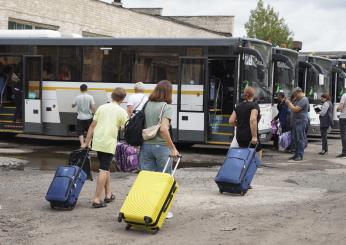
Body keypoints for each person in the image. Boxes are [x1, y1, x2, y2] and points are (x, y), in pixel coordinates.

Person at [81, 88, 128, 208]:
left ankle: (108, 194)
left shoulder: (102, 107)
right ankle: (97, 199)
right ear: (122, 99)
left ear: (111, 96)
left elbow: (92, 126)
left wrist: (86, 142)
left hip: (98, 141)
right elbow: (125, 129)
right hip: (109, 142)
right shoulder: (122, 111)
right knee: (103, 169)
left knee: (105, 167)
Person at [139, 80, 179, 219]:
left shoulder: (147, 105)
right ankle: (163, 210)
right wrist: (173, 148)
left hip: (146, 146)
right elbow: (163, 129)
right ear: (168, 92)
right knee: (164, 179)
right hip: (161, 147)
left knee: (146, 179)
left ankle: (146, 207)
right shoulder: (166, 107)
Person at [229, 86, 263, 159]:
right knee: (257, 154)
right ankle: (255, 168)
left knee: (244, 157)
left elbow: (231, 121)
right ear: (253, 95)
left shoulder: (238, 105)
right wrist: (254, 136)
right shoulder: (254, 105)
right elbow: (252, 120)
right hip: (250, 136)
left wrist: (241, 124)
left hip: (240, 136)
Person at [285, 87, 309, 161]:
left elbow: (295, 109)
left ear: (299, 92)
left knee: (300, 138)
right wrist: (291, 101)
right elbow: (292, 108)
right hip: (295, 122)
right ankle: (296, 154)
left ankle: (300, 155)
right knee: (295, 139)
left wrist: (289, 103)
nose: (294, 96)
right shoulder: (297, 99)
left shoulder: (304, 99)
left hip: (300, 121)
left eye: (295, 94)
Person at [337, 91, 346, 157]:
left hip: (344, 117)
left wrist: (338, 109)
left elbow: (340, 107)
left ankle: (344, 152)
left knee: (344, 135)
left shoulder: (344, 95)